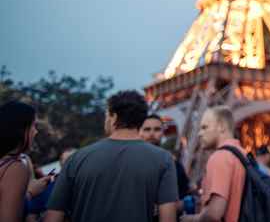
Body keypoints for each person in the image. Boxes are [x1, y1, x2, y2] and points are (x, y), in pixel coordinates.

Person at [43, 90, 178, 222]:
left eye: (107, 115)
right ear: (142, 120)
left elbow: (53, 216)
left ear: (113, 117)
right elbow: (168, 217)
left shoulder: (76, 159)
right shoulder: (163, 159)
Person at [181, 107, 245, 222]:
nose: (199, 133)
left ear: (221, 126)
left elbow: (214, 214)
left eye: (205, 127)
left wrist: (191, 219)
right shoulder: (242, 154)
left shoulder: (220, 157)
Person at [1, 101, 50, 222]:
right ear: (20, 129)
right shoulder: (14, 167)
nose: (36, 131)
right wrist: (31, 193)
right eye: (33, 125)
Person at [140, 114, 190, 200]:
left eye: (157, 129)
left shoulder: (173, 164)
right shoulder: (131, 160)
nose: (151, 133)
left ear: (162, 132)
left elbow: (183, 193)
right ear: (140, 132)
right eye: (147, 129)